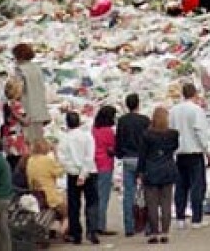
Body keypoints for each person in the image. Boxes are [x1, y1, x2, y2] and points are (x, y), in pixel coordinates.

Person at [168, 83, 210, 229]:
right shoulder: (197, 110)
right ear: (194, 94)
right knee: (197, 186)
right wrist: (207, 151)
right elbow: (200, 131)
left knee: (181, 186)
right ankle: (196, 219)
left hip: (179, 153)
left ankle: (180, 218)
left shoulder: (174, 110)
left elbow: (170, 130)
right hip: (195, 152)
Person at [137, 106, 180, 244]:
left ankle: (154, 233)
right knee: (167, 203)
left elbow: (142, 155)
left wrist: (140, 172)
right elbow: (174, 148)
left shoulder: (146, 135)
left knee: (152, 204)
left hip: (151, 170)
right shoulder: (173, 134)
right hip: (168, 169)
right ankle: (165, 232)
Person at [56, 111, 98, 245]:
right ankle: (92, 231)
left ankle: (76, 234)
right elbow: (89, 156)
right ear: (79, 122)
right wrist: (84, 174)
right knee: (91, 202)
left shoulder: (64, 139)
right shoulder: (87, 137)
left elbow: (62, 159)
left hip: (72, 174)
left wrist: (76, 173)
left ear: (67, 124)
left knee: (74, 205)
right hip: (89, 173)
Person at [115, 93, 150, 237]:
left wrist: (119, 154)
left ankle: (129, 227)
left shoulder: (122, 121)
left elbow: (118, 139)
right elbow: (149, 139)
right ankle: (148, 226)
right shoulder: (145, 120)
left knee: (128, 193)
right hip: (142, 159)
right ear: (138, 104)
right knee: (148, 192)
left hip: (128, 158)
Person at [12, 43, 50, 144]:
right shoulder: (37, 68)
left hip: (27, 113)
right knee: (39, 143)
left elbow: (16, 92)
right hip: (40, 112)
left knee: (28, 144)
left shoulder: (20, 70)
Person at [25, 139, 67, 224]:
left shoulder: (30, 160)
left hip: (35, 193)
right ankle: (64, 232)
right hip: (48, 195)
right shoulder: (47, 160)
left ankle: (53, 229)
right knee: (67, 211)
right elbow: (59, 173)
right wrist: (57, 155)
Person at [92, 106, 117, 235]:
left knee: (95, 196)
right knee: (103, 196)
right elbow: (112, 148)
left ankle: (94, 223)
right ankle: (101, 225)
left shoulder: (94, 129)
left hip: (94, 164)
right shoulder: (108, 131)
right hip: (105, 164)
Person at [0, 77, 28, 170]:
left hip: (7, 136)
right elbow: (25, 122)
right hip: (16, 138)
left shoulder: (5, 104)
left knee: (10, 161)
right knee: (17, 163)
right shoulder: (17, 105)